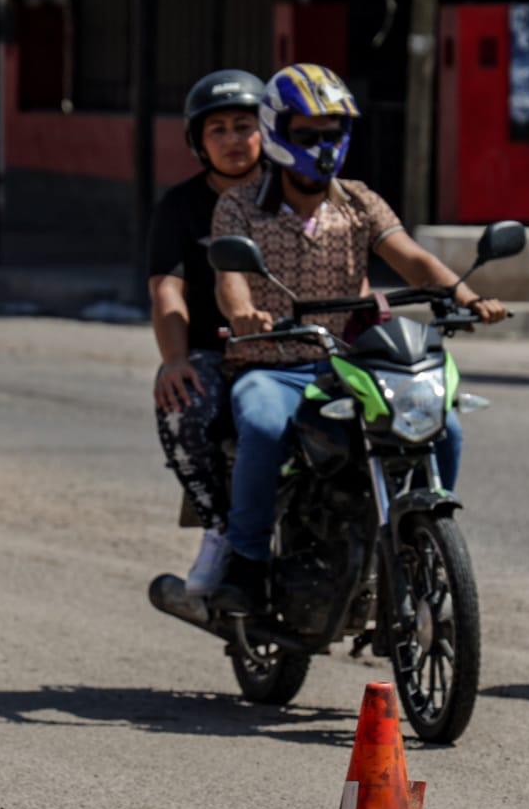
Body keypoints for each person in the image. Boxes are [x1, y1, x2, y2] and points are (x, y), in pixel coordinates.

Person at [197, 62, 507, 613]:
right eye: (307, 135)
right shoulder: (239, 205)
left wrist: (467, 296)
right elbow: (230, 280)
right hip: (272, 365)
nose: (323, 146)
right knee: (263, 425)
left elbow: (410, 257)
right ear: (277, 132)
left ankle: (417, 541)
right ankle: (246, 560)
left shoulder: (359, 201)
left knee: (444, 425)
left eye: (333, 133)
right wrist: (244, 314)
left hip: (350, 366)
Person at [146, 69, 267, 597]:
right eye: (217, 130)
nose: (233, 139)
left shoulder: (293, 192)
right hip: (215, 349)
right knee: (184, 403)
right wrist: (175, 360)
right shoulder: (180, 206)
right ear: (199, 142)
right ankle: (220, 528)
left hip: (299, 347)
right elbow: (167, 291)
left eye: (244, 125)